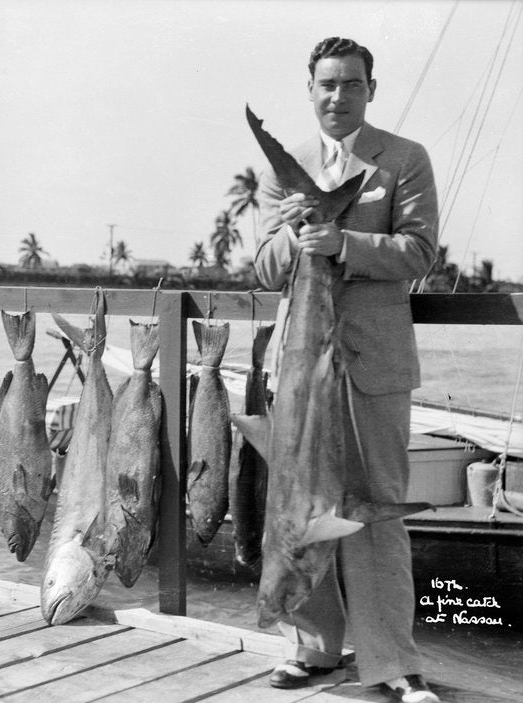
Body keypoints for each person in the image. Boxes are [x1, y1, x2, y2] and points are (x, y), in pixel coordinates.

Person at [253, 38, 440, 703]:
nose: (339, 95)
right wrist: (293, 234)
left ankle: (394, 661)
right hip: (303, 369)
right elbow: (265, 268)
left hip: (373, 367)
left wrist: (343, 243)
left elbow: (419, 250)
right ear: (310, 88)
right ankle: (315, 647)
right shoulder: (286, 169)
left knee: (377, 512)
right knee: (300, 511)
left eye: (352, 84)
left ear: (371, 89)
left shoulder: (405, 158)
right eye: (327, 84)